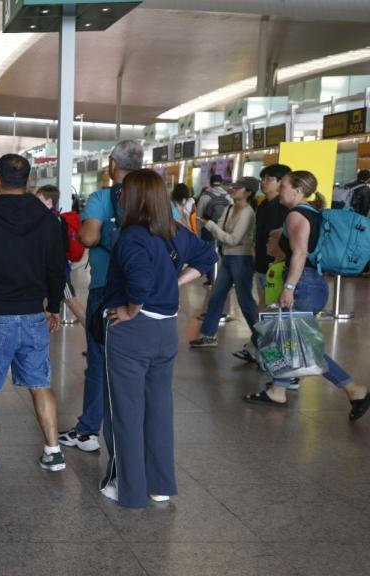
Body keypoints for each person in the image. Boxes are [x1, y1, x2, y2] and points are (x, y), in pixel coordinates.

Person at [99, 169, 216, 508]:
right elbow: (208, 258)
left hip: (134, 332)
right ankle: (160, 484)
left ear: (134, 198)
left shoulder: (132, 237)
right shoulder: (176, 231)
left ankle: (129, 490)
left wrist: (132, 309)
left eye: (123, 193)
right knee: (159, 408)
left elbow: (138, 282)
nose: (119, 197)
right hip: (166, 330)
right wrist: (174, 284)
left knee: (126, 411)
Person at [0, 154, 66, 471]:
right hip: (33, 313)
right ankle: (53, 450)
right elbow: (56, 269)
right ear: (29, 182)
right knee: (39, 382)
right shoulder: (47, 219)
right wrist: (54, 307)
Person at [243, 171, 370, 421]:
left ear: (298, 191)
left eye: (284, 185)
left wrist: (289, 287)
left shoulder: (296, 214)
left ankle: (354, 390)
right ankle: (278, 390)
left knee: (305, 345)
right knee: (289, 340)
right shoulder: (312, 213)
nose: (280, 189)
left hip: (303, 285)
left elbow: (299, 253)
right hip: (312, 283)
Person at [58, 140, 143, 454]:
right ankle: (132, 428)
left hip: (106, 289)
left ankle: (88, 431)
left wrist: (99, 235)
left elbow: (89, 237)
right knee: (136, 362)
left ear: (112, 164)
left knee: (98, 360)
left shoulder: (101, 198)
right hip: (143, 295)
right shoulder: (155, 198)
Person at [190, 177, 259, 348]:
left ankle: (260, 338)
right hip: (227, 257)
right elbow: (224, 236)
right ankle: (208, 335)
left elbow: (232, 238)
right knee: (216, 297)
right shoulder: (229, 208)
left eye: (238, 187)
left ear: (248, 192)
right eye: (233, 186)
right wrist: (222, 234)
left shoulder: (247, 213)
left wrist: (212, 226)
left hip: (242, 259)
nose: (233, 189)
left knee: (245, 301)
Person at [35, 184, 87, 324]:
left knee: (71, 301)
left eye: (38, 197)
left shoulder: (52, 219)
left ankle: (93, 336)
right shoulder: (51, 217)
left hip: (59, 270)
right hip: (55, 269)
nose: (35, 200)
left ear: (48, 200)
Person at [253, 164, 292, 291]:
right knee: (264, 303)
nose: (263, 182)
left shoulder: (285, 208)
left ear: (281, 182)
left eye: (269, 179)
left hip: (277, 266)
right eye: (262, 179)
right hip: (261, 262)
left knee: (274, 306)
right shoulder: (263, 205)